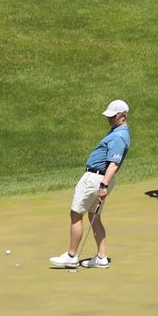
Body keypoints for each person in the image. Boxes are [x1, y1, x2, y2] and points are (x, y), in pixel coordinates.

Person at [51, 99, 130, 269]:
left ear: (123, 116)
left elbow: (113, 164)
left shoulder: (119, 136)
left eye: (113, 116)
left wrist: (104, 185)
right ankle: (101, 257)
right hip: (99, 180)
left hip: (96, 179)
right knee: (94, 217)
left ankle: (71, 256)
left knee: (76, 214)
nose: (109, 119)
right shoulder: (117, 132)